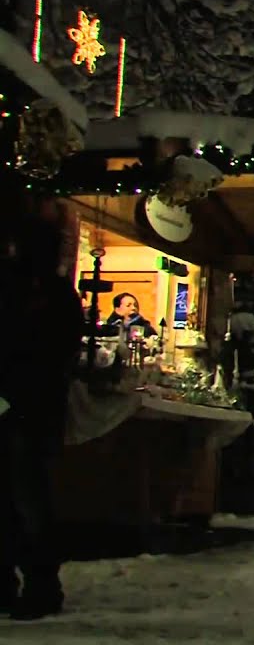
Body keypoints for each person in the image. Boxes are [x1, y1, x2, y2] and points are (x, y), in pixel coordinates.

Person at [0, 205, 84, 620]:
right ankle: (32, 581)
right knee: (24, 498)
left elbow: (54, 352)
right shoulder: (48, 292)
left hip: (26, 407)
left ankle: (36, 583)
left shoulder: (38, 294)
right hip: (31, 407)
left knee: (26, 498)